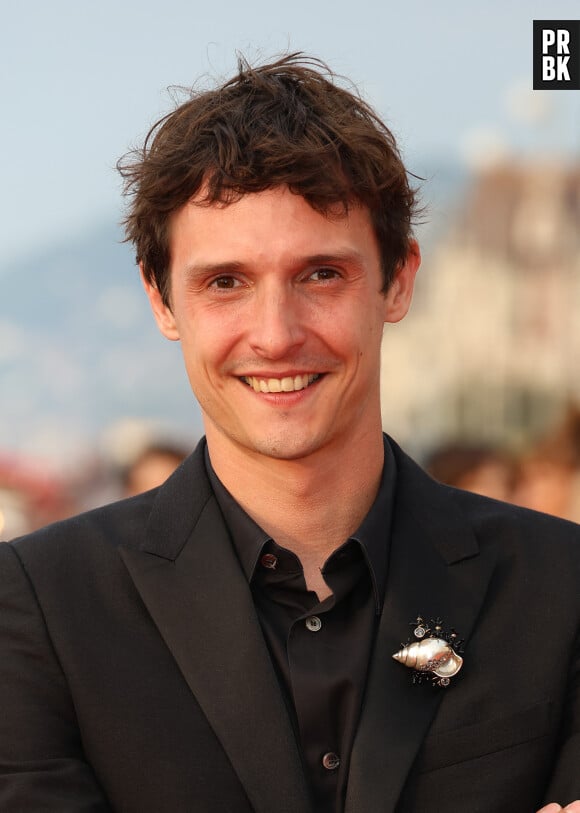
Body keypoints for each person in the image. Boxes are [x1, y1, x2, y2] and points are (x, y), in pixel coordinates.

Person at [0, 54, 579, 813]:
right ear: (162, 299)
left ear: (398, 280)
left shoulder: (561, 586)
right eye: (226, 282)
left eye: (320, 275)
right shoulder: (41, 607)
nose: (275, 335)